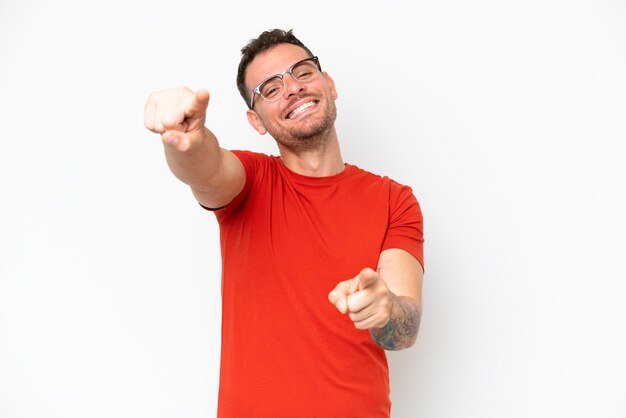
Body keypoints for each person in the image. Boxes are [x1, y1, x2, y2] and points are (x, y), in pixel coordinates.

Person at [144, 29, 424, 418]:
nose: (292, 87)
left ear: (329, 84)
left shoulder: (395, 200)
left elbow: (405, 328)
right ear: (255, 121)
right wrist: (186, 139)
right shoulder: (250, 180)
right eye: (270, 89)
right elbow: (206, 169)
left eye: (302, 72)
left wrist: (386, 308)